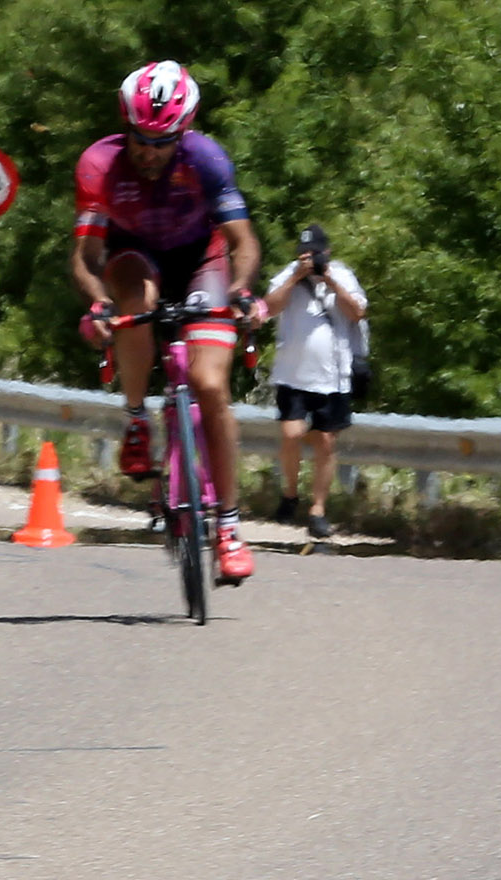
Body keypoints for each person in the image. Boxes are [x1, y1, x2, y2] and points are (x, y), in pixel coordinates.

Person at [72, 59, 266, 583]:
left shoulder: (206, 160)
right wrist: (99, 304)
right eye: (140, 137)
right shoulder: (99, 165)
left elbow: (244, 241)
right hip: (136, 257)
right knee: (133, 296)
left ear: (185, 130)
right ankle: (137, 418)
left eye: (163, 140)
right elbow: (87, 256)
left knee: (209, 384)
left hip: (201, 259)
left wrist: (244, 292)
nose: (150, 151)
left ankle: (228, 526)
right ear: (124, 123)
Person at [265, 222, 368, 540]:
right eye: (303, 254)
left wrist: (331, 281)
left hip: (333, 377)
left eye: (314, 254)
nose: (309, 259)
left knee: (325, 442)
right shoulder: (289, 275)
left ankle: (318, 510)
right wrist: (297, 276)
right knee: (291, 433)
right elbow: (268, 308)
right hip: (293, 374)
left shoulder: (342, 274)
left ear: (327, 253)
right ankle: (290, 493)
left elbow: (357, 312)